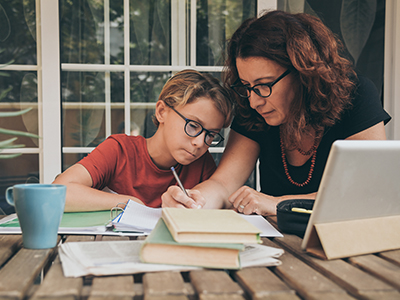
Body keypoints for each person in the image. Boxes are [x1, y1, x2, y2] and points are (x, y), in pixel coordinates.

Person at [161, 10, 391, 215]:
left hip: (345, 241)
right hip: (279, 243)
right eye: (247, 86)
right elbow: (223, 184)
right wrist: (194, 200)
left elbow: (367, 192)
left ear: (303, 72)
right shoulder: (253, 109)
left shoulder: (356, 94)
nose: (254, 101)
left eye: (264, 85)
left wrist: (278, 203)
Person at [53, 69, 234, 211]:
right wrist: (128, 202)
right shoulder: (119, 150)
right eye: (193, 125)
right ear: (162, 112)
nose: (200, 143)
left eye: (210, 134)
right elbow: (58, 191)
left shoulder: (202, 164)